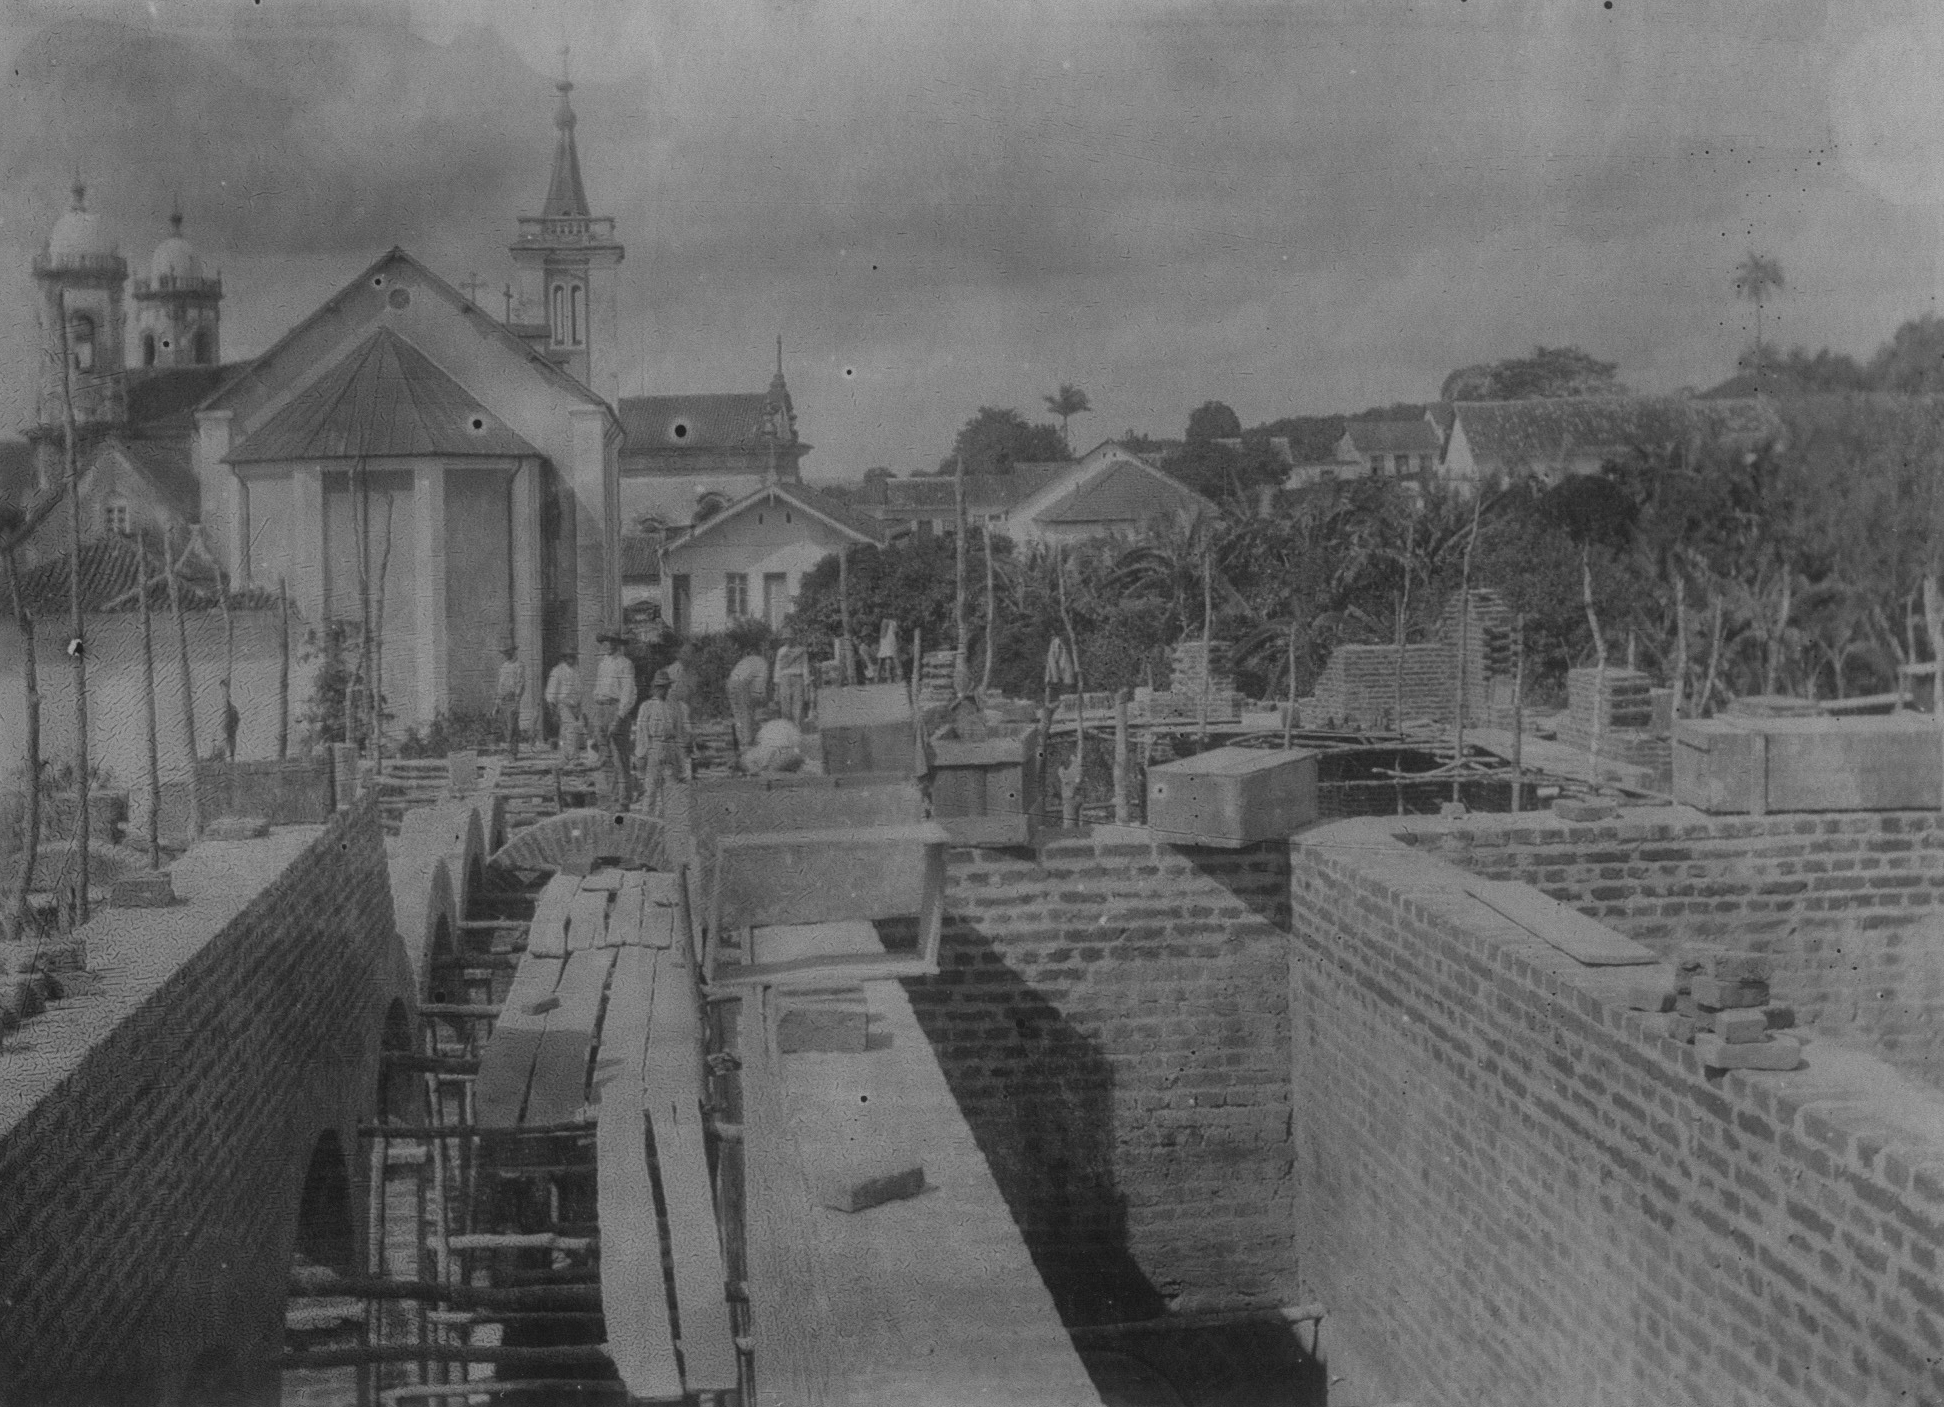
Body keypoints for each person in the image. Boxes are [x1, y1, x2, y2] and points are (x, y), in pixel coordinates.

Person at [632, 668, 692, 815]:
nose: (663, 690)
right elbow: (642, 732)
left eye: (665, 687)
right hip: (655, 745)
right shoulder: (647, 706)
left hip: (671, 746)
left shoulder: (675, 707)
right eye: (659, 687)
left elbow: (680, 731)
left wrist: (681, 755)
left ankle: (670, 817)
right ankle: (648, 816)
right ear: (654, 688)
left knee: (671, 785)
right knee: (651, 786)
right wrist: (641, 754)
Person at [590, 631, 638, 804]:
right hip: (601, 707)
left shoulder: (625, 664)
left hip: (615, 708)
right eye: (605, 641)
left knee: (620, 756)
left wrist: (619, 717)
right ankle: (612, 796)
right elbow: (598, 689)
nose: (608, 645)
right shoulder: (603, 663)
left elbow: (628, 692)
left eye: (611, 642)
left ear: (618, 644)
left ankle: (623, 799)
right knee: (605, 755)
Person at [725, 645, 770, 754]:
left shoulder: (747, 660)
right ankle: (747, 743)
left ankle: (740, 741)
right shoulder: (763, 663)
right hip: (742, 684)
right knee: (746, 713)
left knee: (738, 715)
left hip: (730, 683)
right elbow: (759, 690)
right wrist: (765, 702)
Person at [544, 648, 582, 750]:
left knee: (566, 732)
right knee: (571, 729)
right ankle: (572, 755)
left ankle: (565, 755)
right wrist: (552, 709)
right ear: (565, 658)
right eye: (569, 656)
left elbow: (579, 690)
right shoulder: (557, 670)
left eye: (573, 656)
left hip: (574, 706)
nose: (572, 659)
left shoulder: (576, 670)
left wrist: (578, 707)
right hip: (563, 704)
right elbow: (551, 691)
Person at [495, 638, 527, 759]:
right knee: (505, 725)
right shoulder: (504, 666)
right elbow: (500, 685)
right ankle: (509, 750)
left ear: (513, 652)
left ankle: (513, 752)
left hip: (512, 698)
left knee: (512, 726)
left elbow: (520, 683)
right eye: (504, 652)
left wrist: (517, 699)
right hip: (503, 699)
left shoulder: (519, 665)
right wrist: (497, 702)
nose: (506, 654)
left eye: (508, 652)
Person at [773, 633, 810, 724]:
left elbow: (805, 666)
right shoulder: (781, 651)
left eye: (789, 638)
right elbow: (777, 668)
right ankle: (787, 728)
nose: (788, 641)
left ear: (794, 638)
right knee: (785, 707)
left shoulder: (801, 650)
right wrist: (777, 685)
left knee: (798, 706)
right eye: (785, 639)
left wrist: (806, 682)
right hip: (784, 679)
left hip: (798, 678)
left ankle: (797, 727)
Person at [876, 618, 901, 683]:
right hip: (888, 640)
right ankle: (889, 675)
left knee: (885, 657)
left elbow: (883, 634)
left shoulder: (887, 622)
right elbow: (896, 633)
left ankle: (885, 676)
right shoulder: (892, 622)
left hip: (887, 640)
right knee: (890, 657)